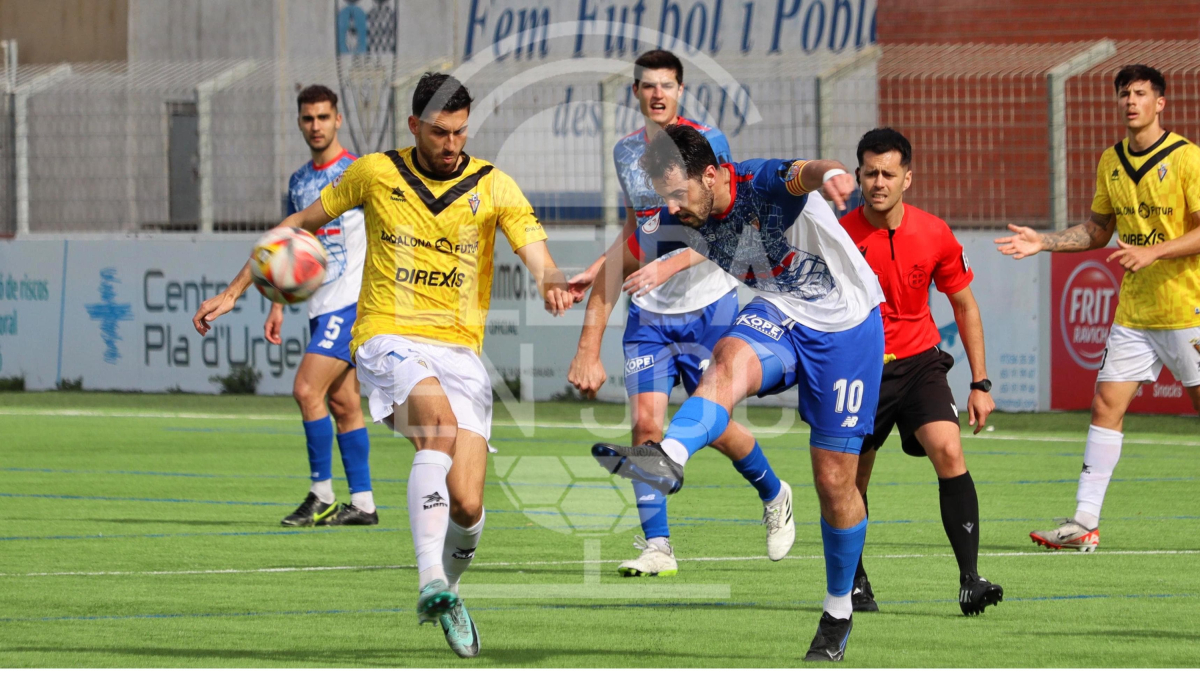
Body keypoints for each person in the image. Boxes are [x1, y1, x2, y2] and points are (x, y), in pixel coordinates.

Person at [193, 72, 574, 659]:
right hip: (386, 335)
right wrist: (236, 288)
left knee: (468, 504)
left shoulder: (492, 185)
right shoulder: (375, 173)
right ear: (414, 125)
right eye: (440, 132)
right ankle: (428, 579)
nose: (452, 144)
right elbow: (298, 225)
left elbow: (538, 256)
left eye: (461, 132)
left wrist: (553, 283)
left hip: (461, 352)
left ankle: (448, 591)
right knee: (437, 428)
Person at [569, 124, 885, 662]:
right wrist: (588, 342)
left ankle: (837, 609)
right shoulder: (678, 215)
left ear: (712, 175)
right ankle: (668, 456)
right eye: (664, 197)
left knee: (835, 482)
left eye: (678, 194)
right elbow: (619, 261)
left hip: (847, 327)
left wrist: (831, 171)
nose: (672, 207)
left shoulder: (760, 182)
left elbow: (803, 172)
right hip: (779, 312)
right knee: (726, 361)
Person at [567, 50, 792, 577]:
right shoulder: (626, 152)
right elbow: (637, 228)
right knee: (646, 425)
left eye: (667, 85)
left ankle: (774, 491)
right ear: (636, 93)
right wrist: (601, 266)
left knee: (714, 425)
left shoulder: (709, 142)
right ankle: (658, 546)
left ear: (681, 91)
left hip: (708, 306)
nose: (657, 94)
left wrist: (667, 266)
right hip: (649, 313)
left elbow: (729, 225)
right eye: (648, 85)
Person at [997, 65, 1200, 552]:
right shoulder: (1111, 160)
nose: (1131, 101)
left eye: (1141, 93)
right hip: (1134, 314)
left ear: (1160, 103)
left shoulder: (1187, 158)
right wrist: (1044, 242)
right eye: (1124, 93)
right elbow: (1097, 230)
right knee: (1106, 405)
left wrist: (1154, 252)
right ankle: (1084, 522)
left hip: (1188, 309)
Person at [839, 127, 1003, 616]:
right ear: (858, 176)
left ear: (907, 178)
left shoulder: (934, 233)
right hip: (860, 369)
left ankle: (971, 580)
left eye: (889, 174)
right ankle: (854, 581)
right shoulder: (839, 237)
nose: (879, 182)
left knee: (949, 450)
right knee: (852, 480)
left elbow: (965, 306)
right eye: (871, 173)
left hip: (920, 363)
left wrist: (980, 383)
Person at [269, 85, 374, 528]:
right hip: (319, 306)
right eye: (308, 118)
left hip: (351, 303)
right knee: (344, 403)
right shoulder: (298, 182)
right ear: (300, 122)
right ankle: (364, 504)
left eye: (323, 117)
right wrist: (278, 302)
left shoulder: (358, 172)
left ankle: (321, 494)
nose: (316, 126)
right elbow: (293, 244)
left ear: (338, 120)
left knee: (306, 390)